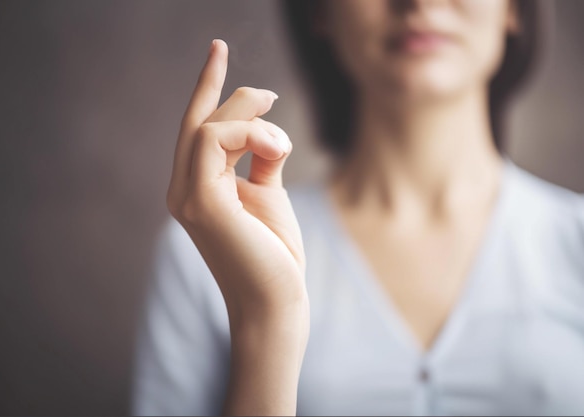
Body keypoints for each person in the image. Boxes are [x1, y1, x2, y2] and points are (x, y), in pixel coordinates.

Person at [133, 1, 584, 415]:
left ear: (515, 10)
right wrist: (266, 322)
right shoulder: (208, 250)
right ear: (320, 12)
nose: (417, 3)